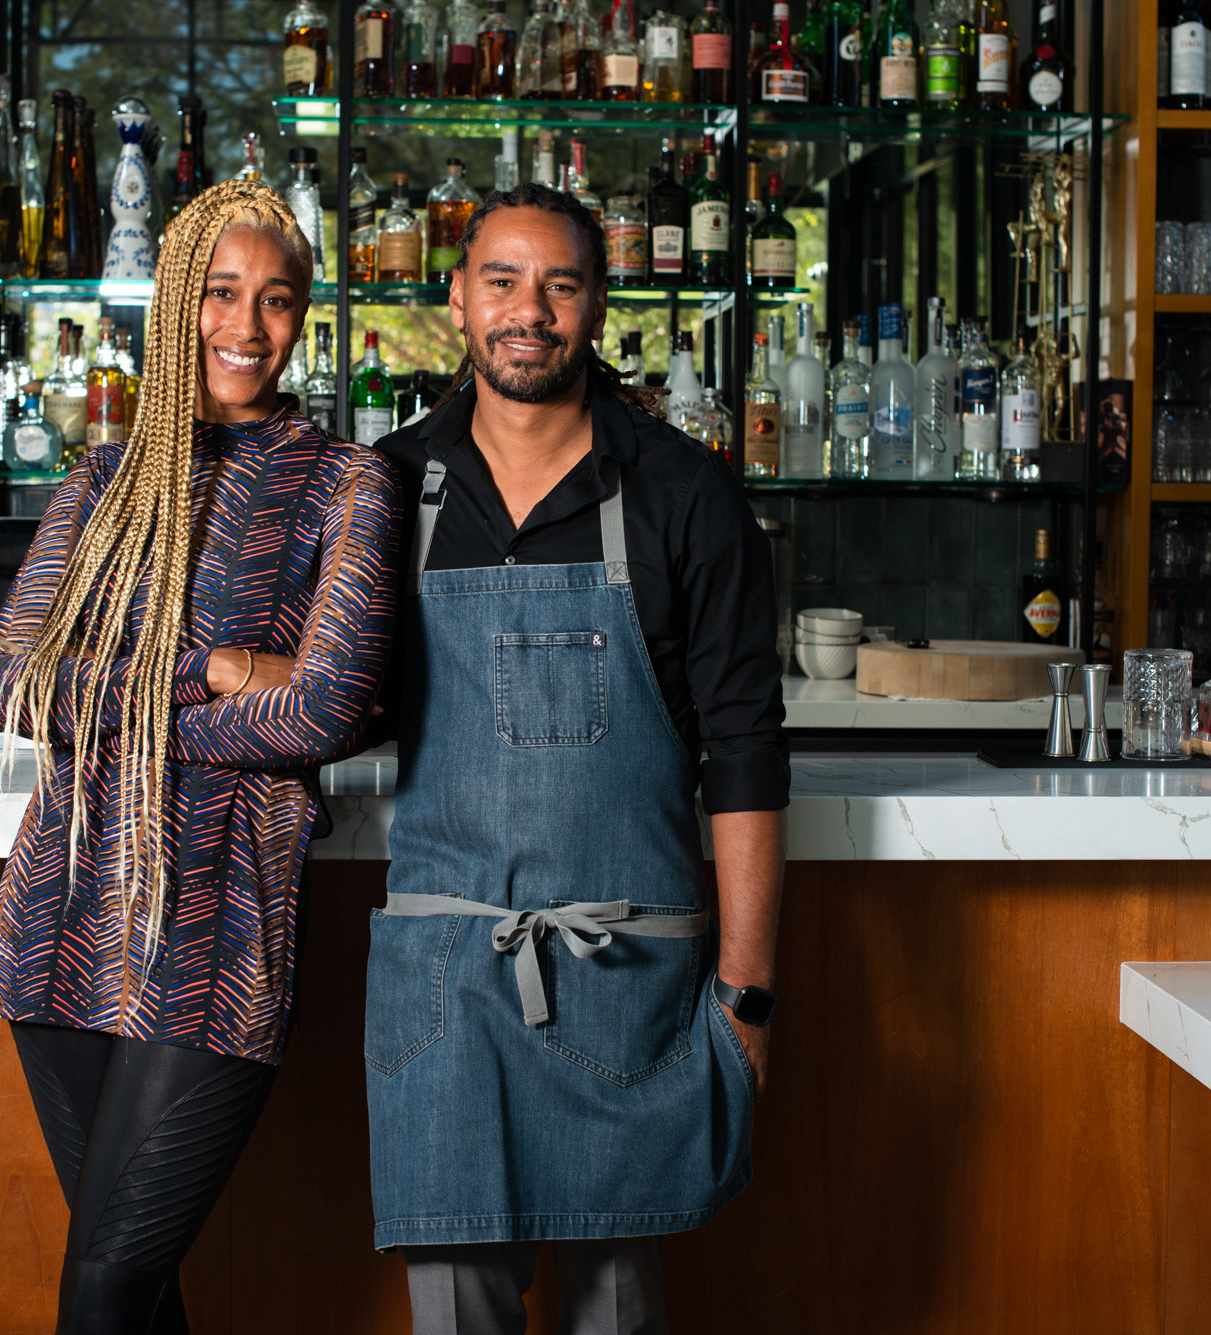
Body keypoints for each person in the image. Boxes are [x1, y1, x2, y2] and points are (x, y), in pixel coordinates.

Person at [366, 181, 789, 1334]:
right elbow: (330, 695)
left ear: (597, 305)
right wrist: (228, 672)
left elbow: (746, 757)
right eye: (500, 281)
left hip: (625, 983)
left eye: (558, 284)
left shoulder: (683, 493)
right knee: (456, 1314)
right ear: (456, 301)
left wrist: (745, 1001)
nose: (527, 310)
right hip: (446, 984)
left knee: (618, 1312)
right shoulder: (385, 490)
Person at [0, 178, 401, 1333]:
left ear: (302, 319)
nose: (246, 328)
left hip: (217, 928)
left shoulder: (345, 484)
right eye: (221, 294)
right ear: (175, 305)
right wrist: (216, 669)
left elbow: (322, 712)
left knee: (102, 1292)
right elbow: (12, 681)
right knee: (135, 1291)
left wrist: (113, 698)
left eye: (276, 301)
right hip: (62, 915)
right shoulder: (100, 485)